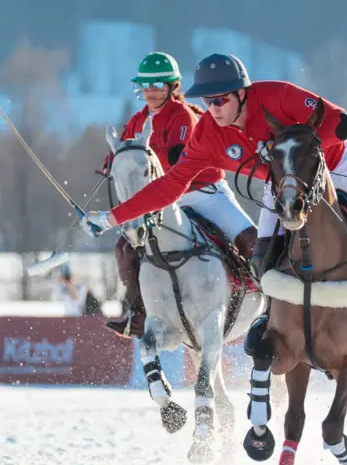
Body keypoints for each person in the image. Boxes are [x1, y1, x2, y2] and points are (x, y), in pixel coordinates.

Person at [82, 53, 347, 354]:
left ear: (242, 93)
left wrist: (292, 140)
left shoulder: (277, 95)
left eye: (221, 99)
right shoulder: (207, 137)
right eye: (208, 101)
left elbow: (341, 122)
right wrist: (113, 216)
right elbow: (171, 185)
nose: (213, 108)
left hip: (336, 165)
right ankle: (269, 325)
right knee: (262, 261)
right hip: (282, 188)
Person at [103, 52, 256, 338]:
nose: (150, 92)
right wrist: (113, 163)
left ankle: (269, 306)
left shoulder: (184, 115)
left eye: (158, 85)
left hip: (205, 193)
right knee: (125, 249)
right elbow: (123, 153)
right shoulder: (136, 122)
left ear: (172, 87)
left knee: (251, 240)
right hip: (164, 201)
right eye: (145, 86)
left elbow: (178, 161)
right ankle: (137, 311)